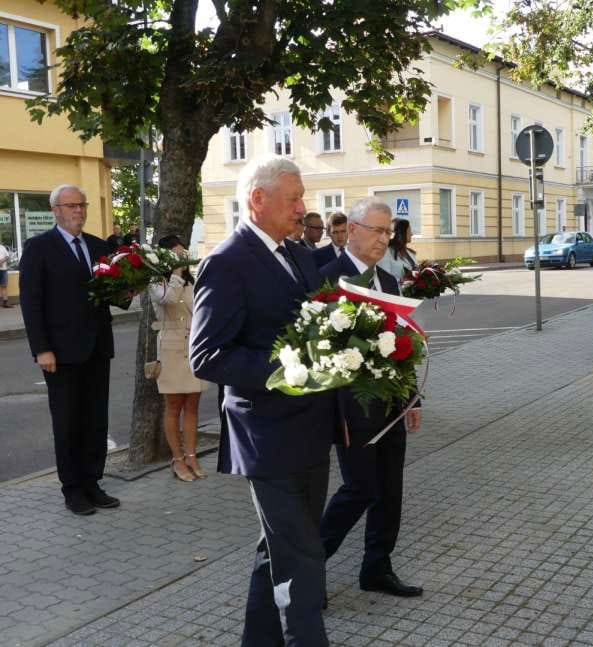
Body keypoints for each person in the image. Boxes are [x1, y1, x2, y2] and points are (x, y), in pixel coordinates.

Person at [190, 156, 337, 646]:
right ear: (258, 199)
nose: (303, 209)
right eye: (294, 199)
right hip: (265, 435)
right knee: (302, 555)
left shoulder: (297, 254)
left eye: (302, 198)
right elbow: (207, 355)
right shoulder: (226, 261)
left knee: (279, 549)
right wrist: (286, 371)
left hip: (310, 428)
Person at [319, 198, 423, 599]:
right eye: (378, 231)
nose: (385, 239)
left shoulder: (390, 281)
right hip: (351, 406)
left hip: (391, 404)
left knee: (389, 490)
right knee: (359, 489)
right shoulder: (328, 277)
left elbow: (403, 342)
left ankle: (377, 567)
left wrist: (412, 398)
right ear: (354, 229)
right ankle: (311, 565)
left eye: (389, 232)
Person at [18, 184, 120, 516]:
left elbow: (112, 294)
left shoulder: (98, 245)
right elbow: (32, 304)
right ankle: (73, 489)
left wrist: (129, 286)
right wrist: (42, 349)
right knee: (68, 422)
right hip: (60, 353)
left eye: (82, 204)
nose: (79, 210)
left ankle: (93, 483)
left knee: (95, 420)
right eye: (71, 205)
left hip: (97, 348)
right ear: (55, 211)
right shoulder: (38, 248)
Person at [149, 234, 209, 482]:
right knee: (174, 406)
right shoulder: (156, 280)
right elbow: (168, 300)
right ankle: (177, 459)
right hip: (171, 348)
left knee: (193, 404)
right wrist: (174, 274)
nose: (182, 257)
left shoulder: (190, 280)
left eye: (183, 252)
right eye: (176, 253)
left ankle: (192, 455)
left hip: (193, 346)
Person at [0, 240, 12, 307]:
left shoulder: (2, 247)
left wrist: (2, 261)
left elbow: (7, 256)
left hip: (3, 270)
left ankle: (5, 303)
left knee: (4, 286)